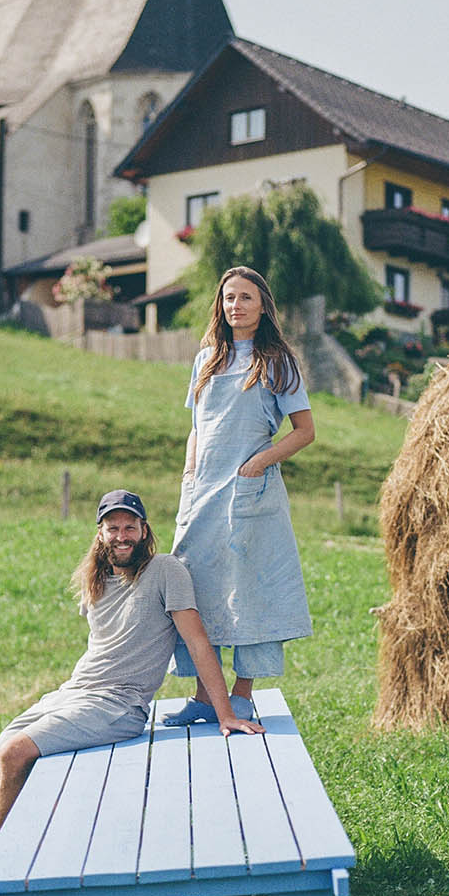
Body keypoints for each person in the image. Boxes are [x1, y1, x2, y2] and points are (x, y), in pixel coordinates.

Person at [0, 488, 263, 896]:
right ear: (101, 533)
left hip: (119, 704)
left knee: (15, 754)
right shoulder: (98, 581)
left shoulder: (166, 571)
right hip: (72, 694)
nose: (122, 534)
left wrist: (225, 713)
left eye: (130, 526)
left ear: (144, 530)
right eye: (113, 527)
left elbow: (199, 642)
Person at [164, 266, 315, 728]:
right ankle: (204, 696)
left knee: (249, 588)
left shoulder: (277, 362)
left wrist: (260, 462)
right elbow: (197, 427)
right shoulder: (205, 358)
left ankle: (242, 694)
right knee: (195, 586)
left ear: (263, 305)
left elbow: (305, 432)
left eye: (246, 297)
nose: (236, 306)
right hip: (202, 490)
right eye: (229, 298)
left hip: (251, 493)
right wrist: (190, 473)